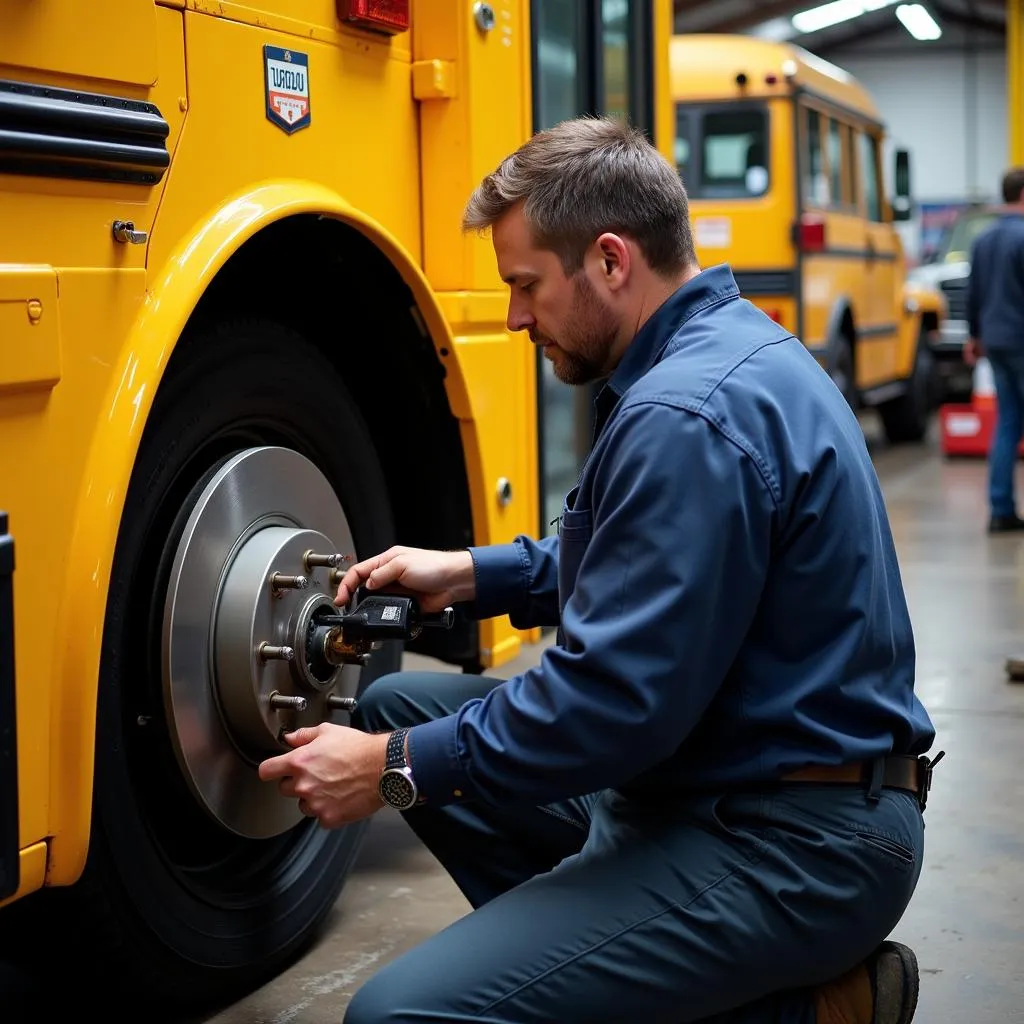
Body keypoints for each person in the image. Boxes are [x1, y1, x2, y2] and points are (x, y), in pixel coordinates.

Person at [258, 117, 941, 1023]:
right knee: (398, 704)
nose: (513, 316)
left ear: (612, 261)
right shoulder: (729, 350)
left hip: (793, 843)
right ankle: (592, 974)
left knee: (396, 1015)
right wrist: (466, 572)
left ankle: (814, 1009)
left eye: (526, 285)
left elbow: (611, 706)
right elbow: (643, 561)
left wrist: (391, 770)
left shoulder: (684, 416)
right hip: (731, 780)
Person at [964, 167, 1024, 533]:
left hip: (996, 343)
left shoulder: (983, 240)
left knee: (1007, 423)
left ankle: (1001, 509)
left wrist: (974, 337)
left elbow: (974, 292)